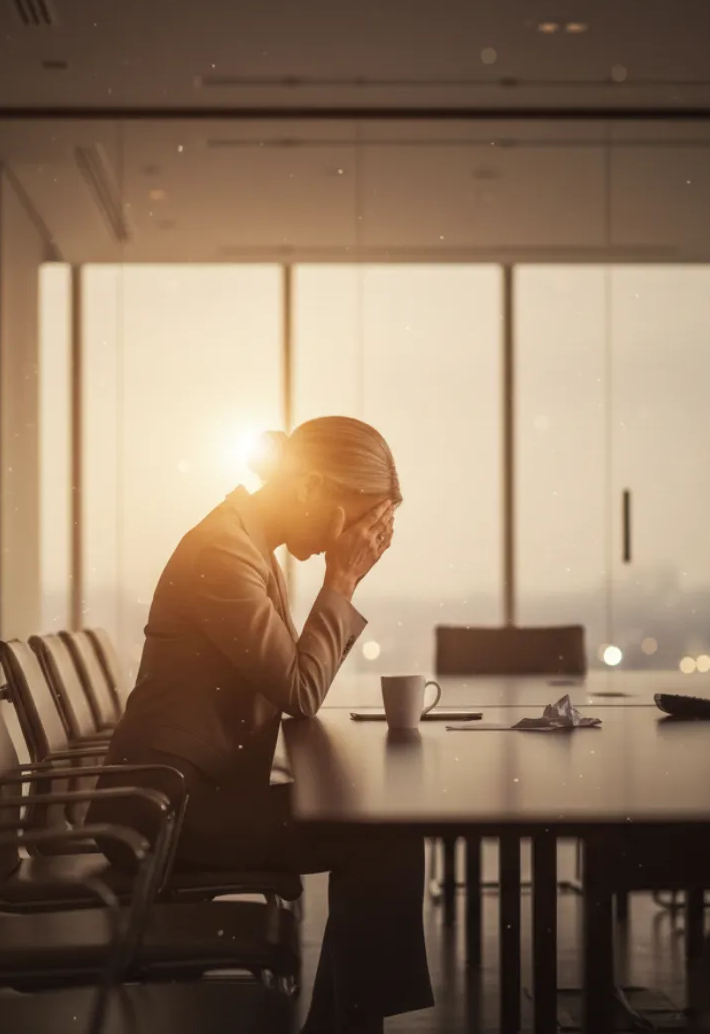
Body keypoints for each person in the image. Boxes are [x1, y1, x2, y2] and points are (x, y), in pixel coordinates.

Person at [94, 416, 433, 1033]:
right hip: (161, 811)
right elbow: (301, 690)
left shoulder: (246, 543)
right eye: (348, 520)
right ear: (306, 486)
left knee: (384, 832)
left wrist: (341, 571)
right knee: (383, 836)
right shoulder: (223, 553)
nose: (345, 542)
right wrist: (343, 578)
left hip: (189, 794)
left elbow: (291, 681)